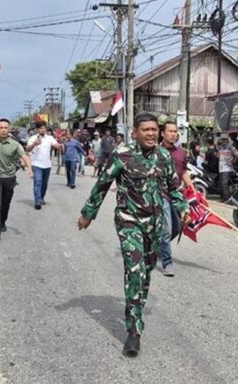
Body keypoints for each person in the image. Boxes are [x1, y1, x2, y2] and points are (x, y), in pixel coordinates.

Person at [78, 113, 190, 358]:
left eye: (154, 129)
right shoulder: (122, 154)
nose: (151, 133)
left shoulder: (164, 157)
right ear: (135, 133)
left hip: (155, 223)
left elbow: (174, 187)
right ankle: (133, 330)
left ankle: (137, 307)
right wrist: (88, 213)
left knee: (146, 270)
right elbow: (103, 184)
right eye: (146, 130)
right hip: (129, 220)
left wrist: (183, 210)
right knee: (135, 269)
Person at [158, 121, 195, 277]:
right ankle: (167, 262)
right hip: (161, 194)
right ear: (162, 133)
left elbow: (183, 171)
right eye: (170, 131)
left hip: (177, 194)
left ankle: (158, 246)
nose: (173, 134)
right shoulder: (155, 151)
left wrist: (192, 188)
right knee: (166, 229)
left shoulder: (181, 153)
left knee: (177, 227)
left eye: (175, 131)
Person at [0, 118, 32, 242]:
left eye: (5, 128)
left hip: (9, 178)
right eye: (1, 128)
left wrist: (29, 169)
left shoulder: (15, 144)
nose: (3, 130)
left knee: (5, 204)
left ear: (9, 129)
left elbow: (24, 156)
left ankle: (2, 222)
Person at [26, 122, 62, 210]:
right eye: (41, 128)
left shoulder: (50, 138)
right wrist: (34, 144)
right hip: (36, 164)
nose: (43, 129)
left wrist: (60, 146)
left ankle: (41, 197)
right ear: (37, 129)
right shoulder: (33, 138)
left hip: (47, 165)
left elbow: (56, 144)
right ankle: (37, 201)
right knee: (38, 182)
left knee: (44, 184)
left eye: (44, 128)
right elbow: (27, 149)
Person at [217, 135, 238, 201]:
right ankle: (223, 198)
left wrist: (232, 161)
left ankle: (228, 199)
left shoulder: (230, 147)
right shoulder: (220, 147)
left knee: (224, 183)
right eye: (222, 140)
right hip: (221, 167)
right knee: (221, 183)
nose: (223, 141)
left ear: (227, 140)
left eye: (225, 139)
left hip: (227, 168)